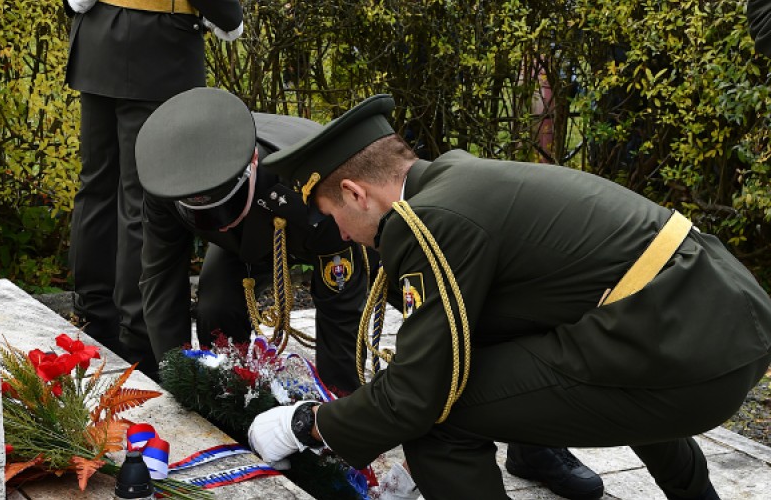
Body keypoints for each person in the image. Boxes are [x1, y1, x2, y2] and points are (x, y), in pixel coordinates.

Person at [247, 94, 771, 500]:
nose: (337, 234)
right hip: (717, 326)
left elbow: (417, 395)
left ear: (358, 194)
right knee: (574, 346)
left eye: (331, 213)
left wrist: (308, 425)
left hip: (682, 359)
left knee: (440, 417)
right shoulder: (459, 180)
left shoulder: (427, 222)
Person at [133, 87, 371, 393]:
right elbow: (160, 280)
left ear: (252, 164)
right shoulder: (168, 185)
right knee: (216, 307)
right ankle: (230, 392)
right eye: (203, 217)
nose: (216, 226)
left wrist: (338, 411)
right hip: (243, 242)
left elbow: (341, 307)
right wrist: (179, 376)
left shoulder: (312, 186)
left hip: (326, 226)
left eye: (220, 211)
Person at [62, 0, 243, 373]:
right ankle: (139, 338)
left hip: (99, 37)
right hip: (159, 49)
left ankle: (91, 318)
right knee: (142, 200)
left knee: (95, 188)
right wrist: (228, 16)